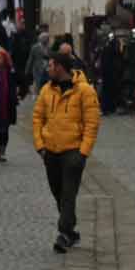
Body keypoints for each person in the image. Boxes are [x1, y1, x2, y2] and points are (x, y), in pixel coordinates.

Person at [33, 50, 101, 252]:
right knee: (58, 193)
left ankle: (63, 233)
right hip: (50, 151)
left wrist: (83, 152)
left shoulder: (85, 91)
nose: (48, 69)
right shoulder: (47, 90)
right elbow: (37, 118)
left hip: (73, 152)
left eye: (51, 65)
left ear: (60, 67)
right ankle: (71, 231)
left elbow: (92, 123)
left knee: (68, 193)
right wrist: (40, 146)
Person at [97, 33, 129, 114]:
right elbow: (121, 63)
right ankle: (114, 107)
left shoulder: (106, 50)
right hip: (115, 75)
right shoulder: (117, 53)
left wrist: (101, 74)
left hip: (107, 75)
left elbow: (103, 63)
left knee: (107, 92)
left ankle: (107, 108)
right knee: (115, 91)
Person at [25, 31, 53, 97]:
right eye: (46, 38)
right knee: (38, 83)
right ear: (41, 39)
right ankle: (39, 96)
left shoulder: (49, 48)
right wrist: (27, 70)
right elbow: (30, 59)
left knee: (47, 84)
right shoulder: (35, 48)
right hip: (37, 69)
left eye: (47, 38)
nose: (47, 40)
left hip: (47, 69)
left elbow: (51, 57)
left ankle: (45, 96)